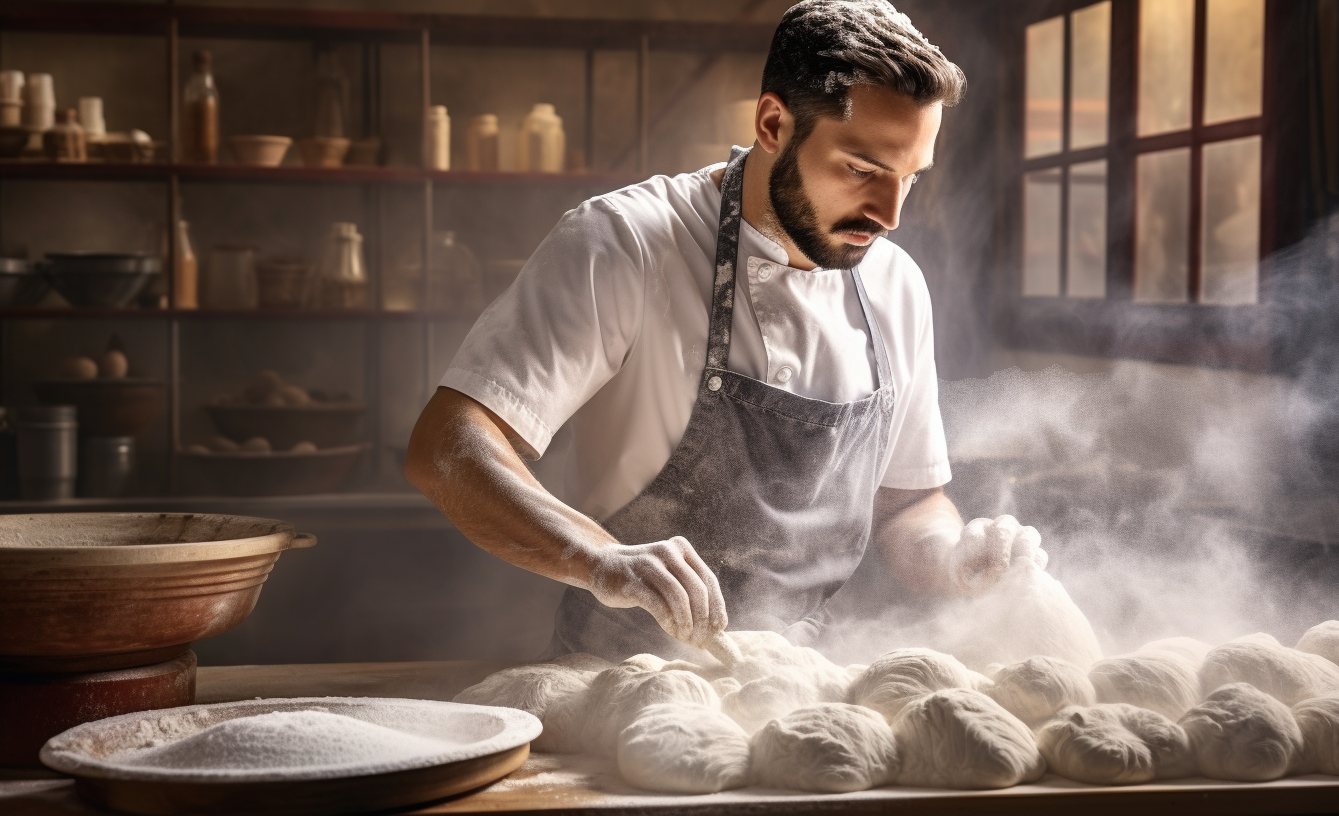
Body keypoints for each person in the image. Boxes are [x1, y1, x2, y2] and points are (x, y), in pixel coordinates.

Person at [407, 0, 1041, 661]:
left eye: (911, 178)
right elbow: (448, 448)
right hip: (618, 684)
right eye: (862, 169)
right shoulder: (630, 244)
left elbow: (909, 503)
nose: (890, 214)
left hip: (796, 680)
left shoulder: (896, 285)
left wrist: (957, 558)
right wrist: (603, 559)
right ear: (773, 122)